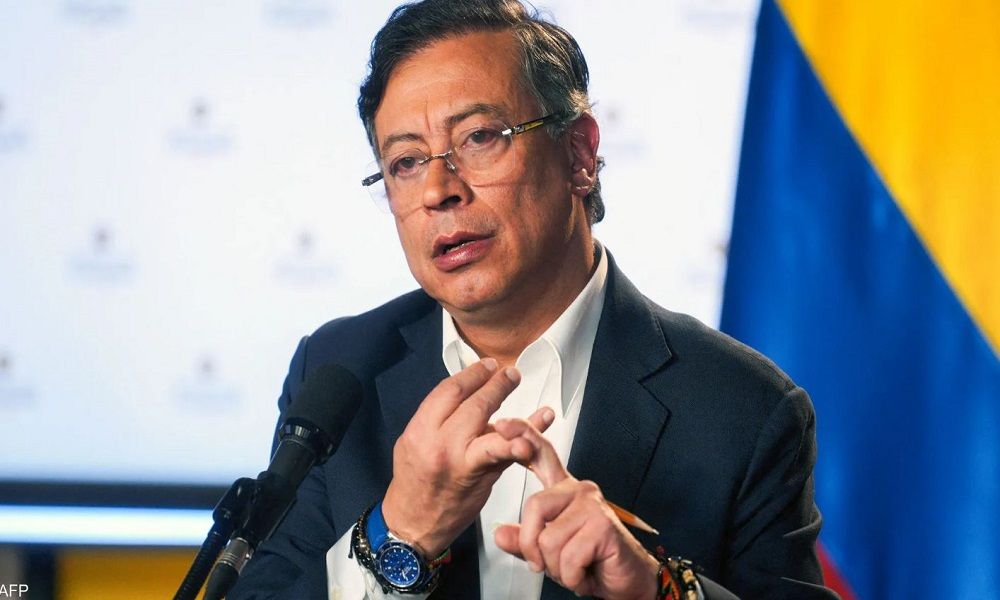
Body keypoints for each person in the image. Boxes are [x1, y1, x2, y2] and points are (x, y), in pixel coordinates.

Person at [230, 1, 838, 598]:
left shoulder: (743, 407)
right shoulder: (340, 371)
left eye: (478, 137)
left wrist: (657, 592)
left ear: (579, 155)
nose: (438, 190)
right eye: (406, 161)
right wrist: (399, 535)